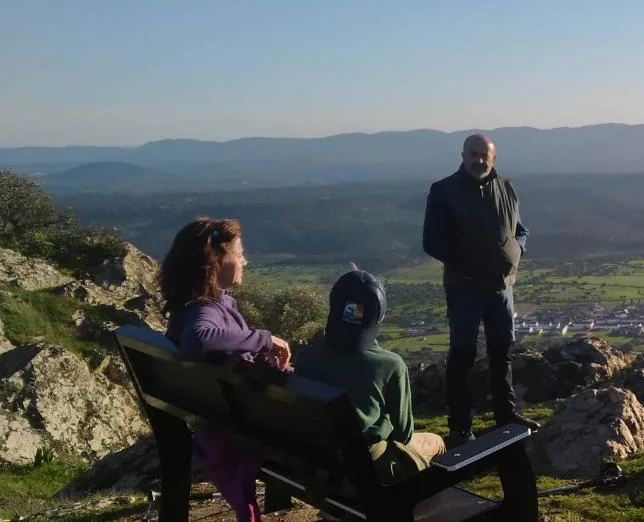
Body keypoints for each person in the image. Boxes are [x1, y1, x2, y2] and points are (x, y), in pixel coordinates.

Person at [159, 216, 292, 522]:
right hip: (250, 433)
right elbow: (200, 340)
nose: (245, 260)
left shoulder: (190, 305)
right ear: (216, 261)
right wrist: (264, 338)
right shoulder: (204, 309)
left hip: (222, 422)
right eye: (238, 253)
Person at [422, 133, 538, 447]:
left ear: (493, 158)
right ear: (463, 155)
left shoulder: (506, 188)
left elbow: (521, 230)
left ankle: (507, 417)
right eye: (473, 154)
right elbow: (432, 241)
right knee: (462, 356)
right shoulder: (445, 191)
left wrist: (516, 251)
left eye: (484, 155)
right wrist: (471, 265)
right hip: (466, 289)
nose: (479, 160)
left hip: (501, 288)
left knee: (502, 354)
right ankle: (460, 428)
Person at [295, 267, 446, 484]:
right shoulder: (390, 365)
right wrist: (382, 423)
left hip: (318, 464)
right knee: (437, 442)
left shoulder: (306, 357)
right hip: (369, 468)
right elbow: (403, 434)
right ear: (378, 318)